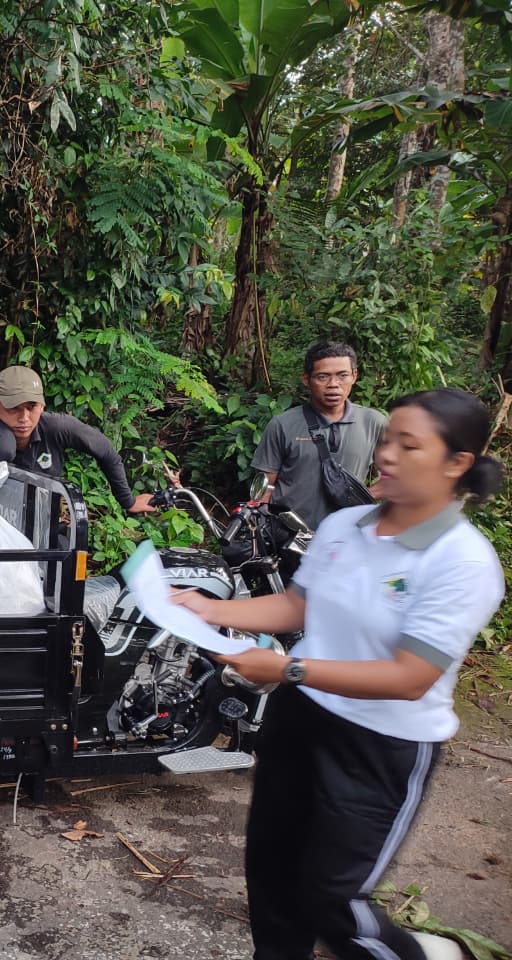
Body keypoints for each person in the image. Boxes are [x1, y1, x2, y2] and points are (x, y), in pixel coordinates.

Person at [173, 388, 504, 960]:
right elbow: (298, 608)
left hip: (381, 745)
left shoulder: (462, 561)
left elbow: (409, 677)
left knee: (333, 901)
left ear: (457, 464)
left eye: (409, 445)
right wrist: (208, 608)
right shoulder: (346, 525)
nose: (387, 456)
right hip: (301, 722)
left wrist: (285, 667)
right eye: (386, 440)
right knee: (273, 882)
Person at [0, 364, 155, 514]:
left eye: (31, 407)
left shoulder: (56, 427)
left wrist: (128, 501)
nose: (24, 418)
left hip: (40, 523)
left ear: (42, 405)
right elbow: (2, 449)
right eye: (13, 408)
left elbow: (105, 450)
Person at [253, 340, 386, 529]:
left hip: (345, 534)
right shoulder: (283, 424)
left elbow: (396, 477)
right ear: (306, 379)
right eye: (323, 377)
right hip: (288, 535)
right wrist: (261, 526)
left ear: (354, 376)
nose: (333, 385)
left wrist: (359, 500)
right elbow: (265, 486)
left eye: (342, 376)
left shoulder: (373, 422)